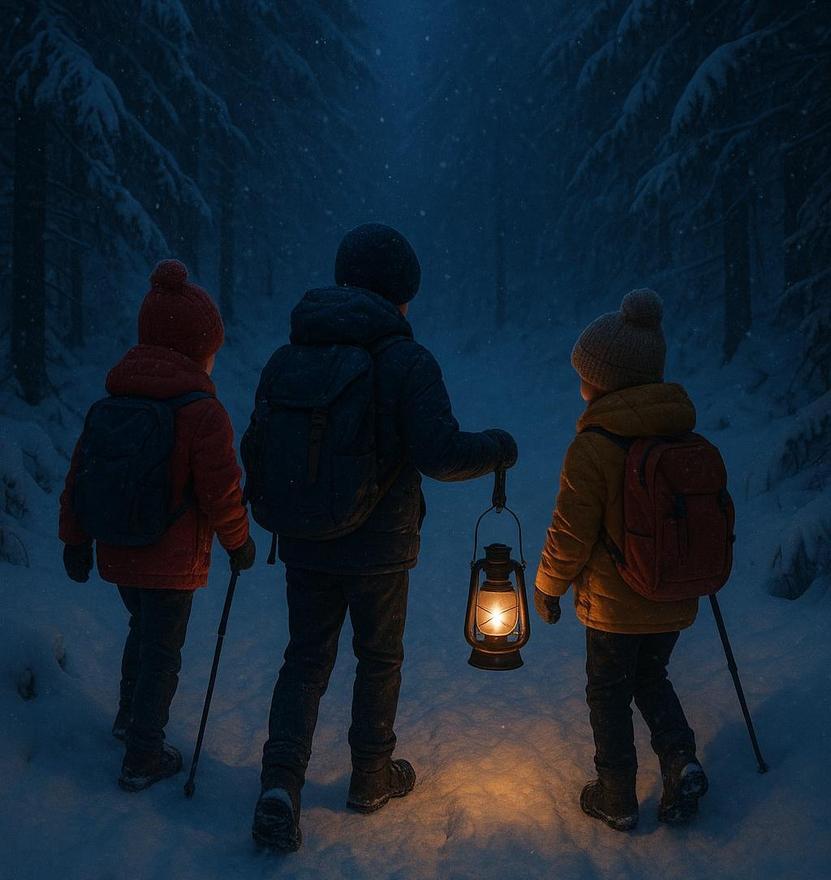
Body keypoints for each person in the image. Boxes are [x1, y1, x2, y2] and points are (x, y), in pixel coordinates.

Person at [245, 223, 517, 851]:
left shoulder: (292, 354)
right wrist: (499, 448)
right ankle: (371, 775)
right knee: (380, 658)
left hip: (307, 538)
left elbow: (259, 445)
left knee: (305, 659)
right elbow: (442, 455)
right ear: (401, 292)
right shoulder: (405, 360)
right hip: (380, 546)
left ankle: (280, 785)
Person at [59, 259, 255, 792]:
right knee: (163, 652)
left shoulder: (114, 400)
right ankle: (144, 754)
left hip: (120, 548)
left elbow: (80, 474)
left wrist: (74, 540)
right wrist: (239, 543)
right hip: (172, 559)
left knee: (141, 632)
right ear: (197, 350)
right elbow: (221, 490)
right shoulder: (202, 412)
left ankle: (128, 719)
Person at [534, 288, 707, 831]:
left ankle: (616, 795)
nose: (580, 384)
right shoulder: (678, 431)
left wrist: (547, 586)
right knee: (651, 677)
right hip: (673, 591)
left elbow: (570, 532)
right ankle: (681, 760)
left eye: (584, 375)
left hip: (613, 605)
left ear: (604, 380)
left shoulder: (595, 445)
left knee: (607, 694)